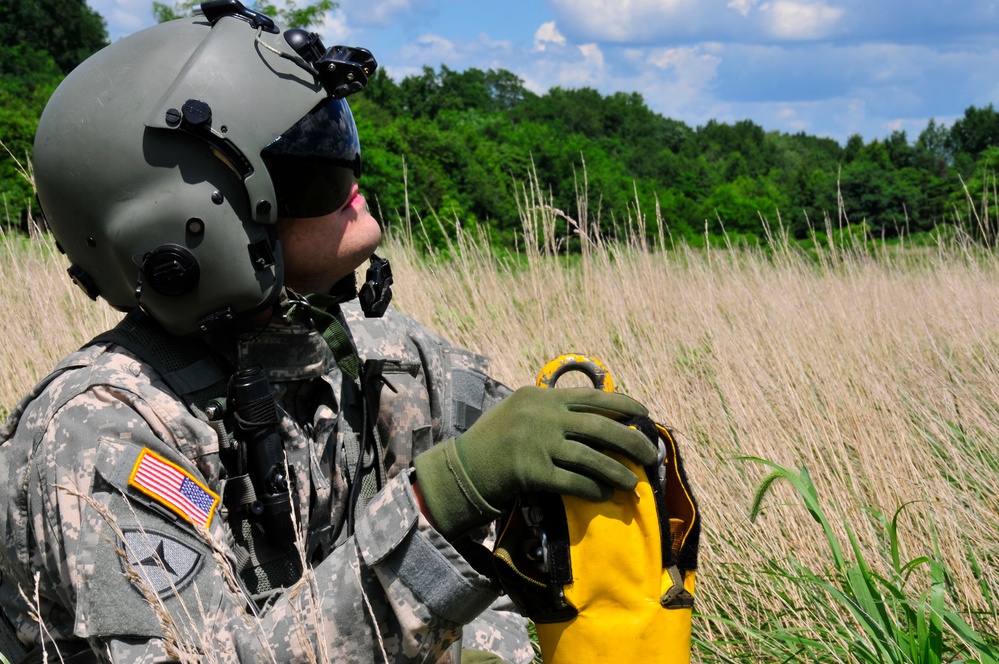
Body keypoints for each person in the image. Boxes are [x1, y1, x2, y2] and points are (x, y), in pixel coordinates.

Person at [0, 2, 657, 662]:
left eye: (338, 139)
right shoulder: (100, 432)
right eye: (311, 167)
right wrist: (442, 501)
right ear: (193, 227)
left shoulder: (376, 357)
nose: (350, 177)